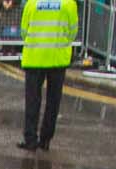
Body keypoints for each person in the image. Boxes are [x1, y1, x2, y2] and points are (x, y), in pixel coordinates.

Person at [18, 0, 77, 152]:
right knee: (53, 101)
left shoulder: (32, 3)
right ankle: (45, 139)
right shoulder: (69, 4)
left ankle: (30, 139)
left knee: (32, 100)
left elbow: (24, 31)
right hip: (57, 59)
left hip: (34, 58)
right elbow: (72, 32)